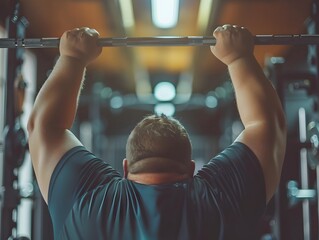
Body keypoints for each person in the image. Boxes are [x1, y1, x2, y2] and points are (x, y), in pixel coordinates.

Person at [27, 25, 287, 240]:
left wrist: (72, 58)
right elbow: (267, 125)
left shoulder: (88, 205)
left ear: (126, 168)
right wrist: (238, 57)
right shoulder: (223, 202)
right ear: (191, 168)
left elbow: (44, 127)